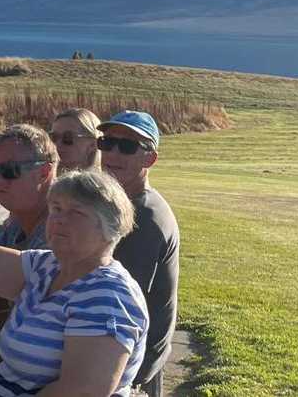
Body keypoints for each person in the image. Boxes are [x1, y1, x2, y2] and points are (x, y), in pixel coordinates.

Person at [0, 170, 149, 396]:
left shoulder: (107, 297)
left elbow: (81, 392)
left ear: (109, 228)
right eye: (56, 209)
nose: (58, 219)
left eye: (76, 213)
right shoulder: (47, 266)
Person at [97, 110, 180, 397]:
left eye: (128, 146)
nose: (112, 153)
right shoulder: (120, 203)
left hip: (132, 365)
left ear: (150, 158)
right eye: (106, 143)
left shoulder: (142, 217)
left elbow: (116, 304)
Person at [50, 108, 103, 172]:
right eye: (54, 137)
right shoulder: (41, 180)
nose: (57, 144)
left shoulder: (104, 181)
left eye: (68, 137)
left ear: (93, 144)